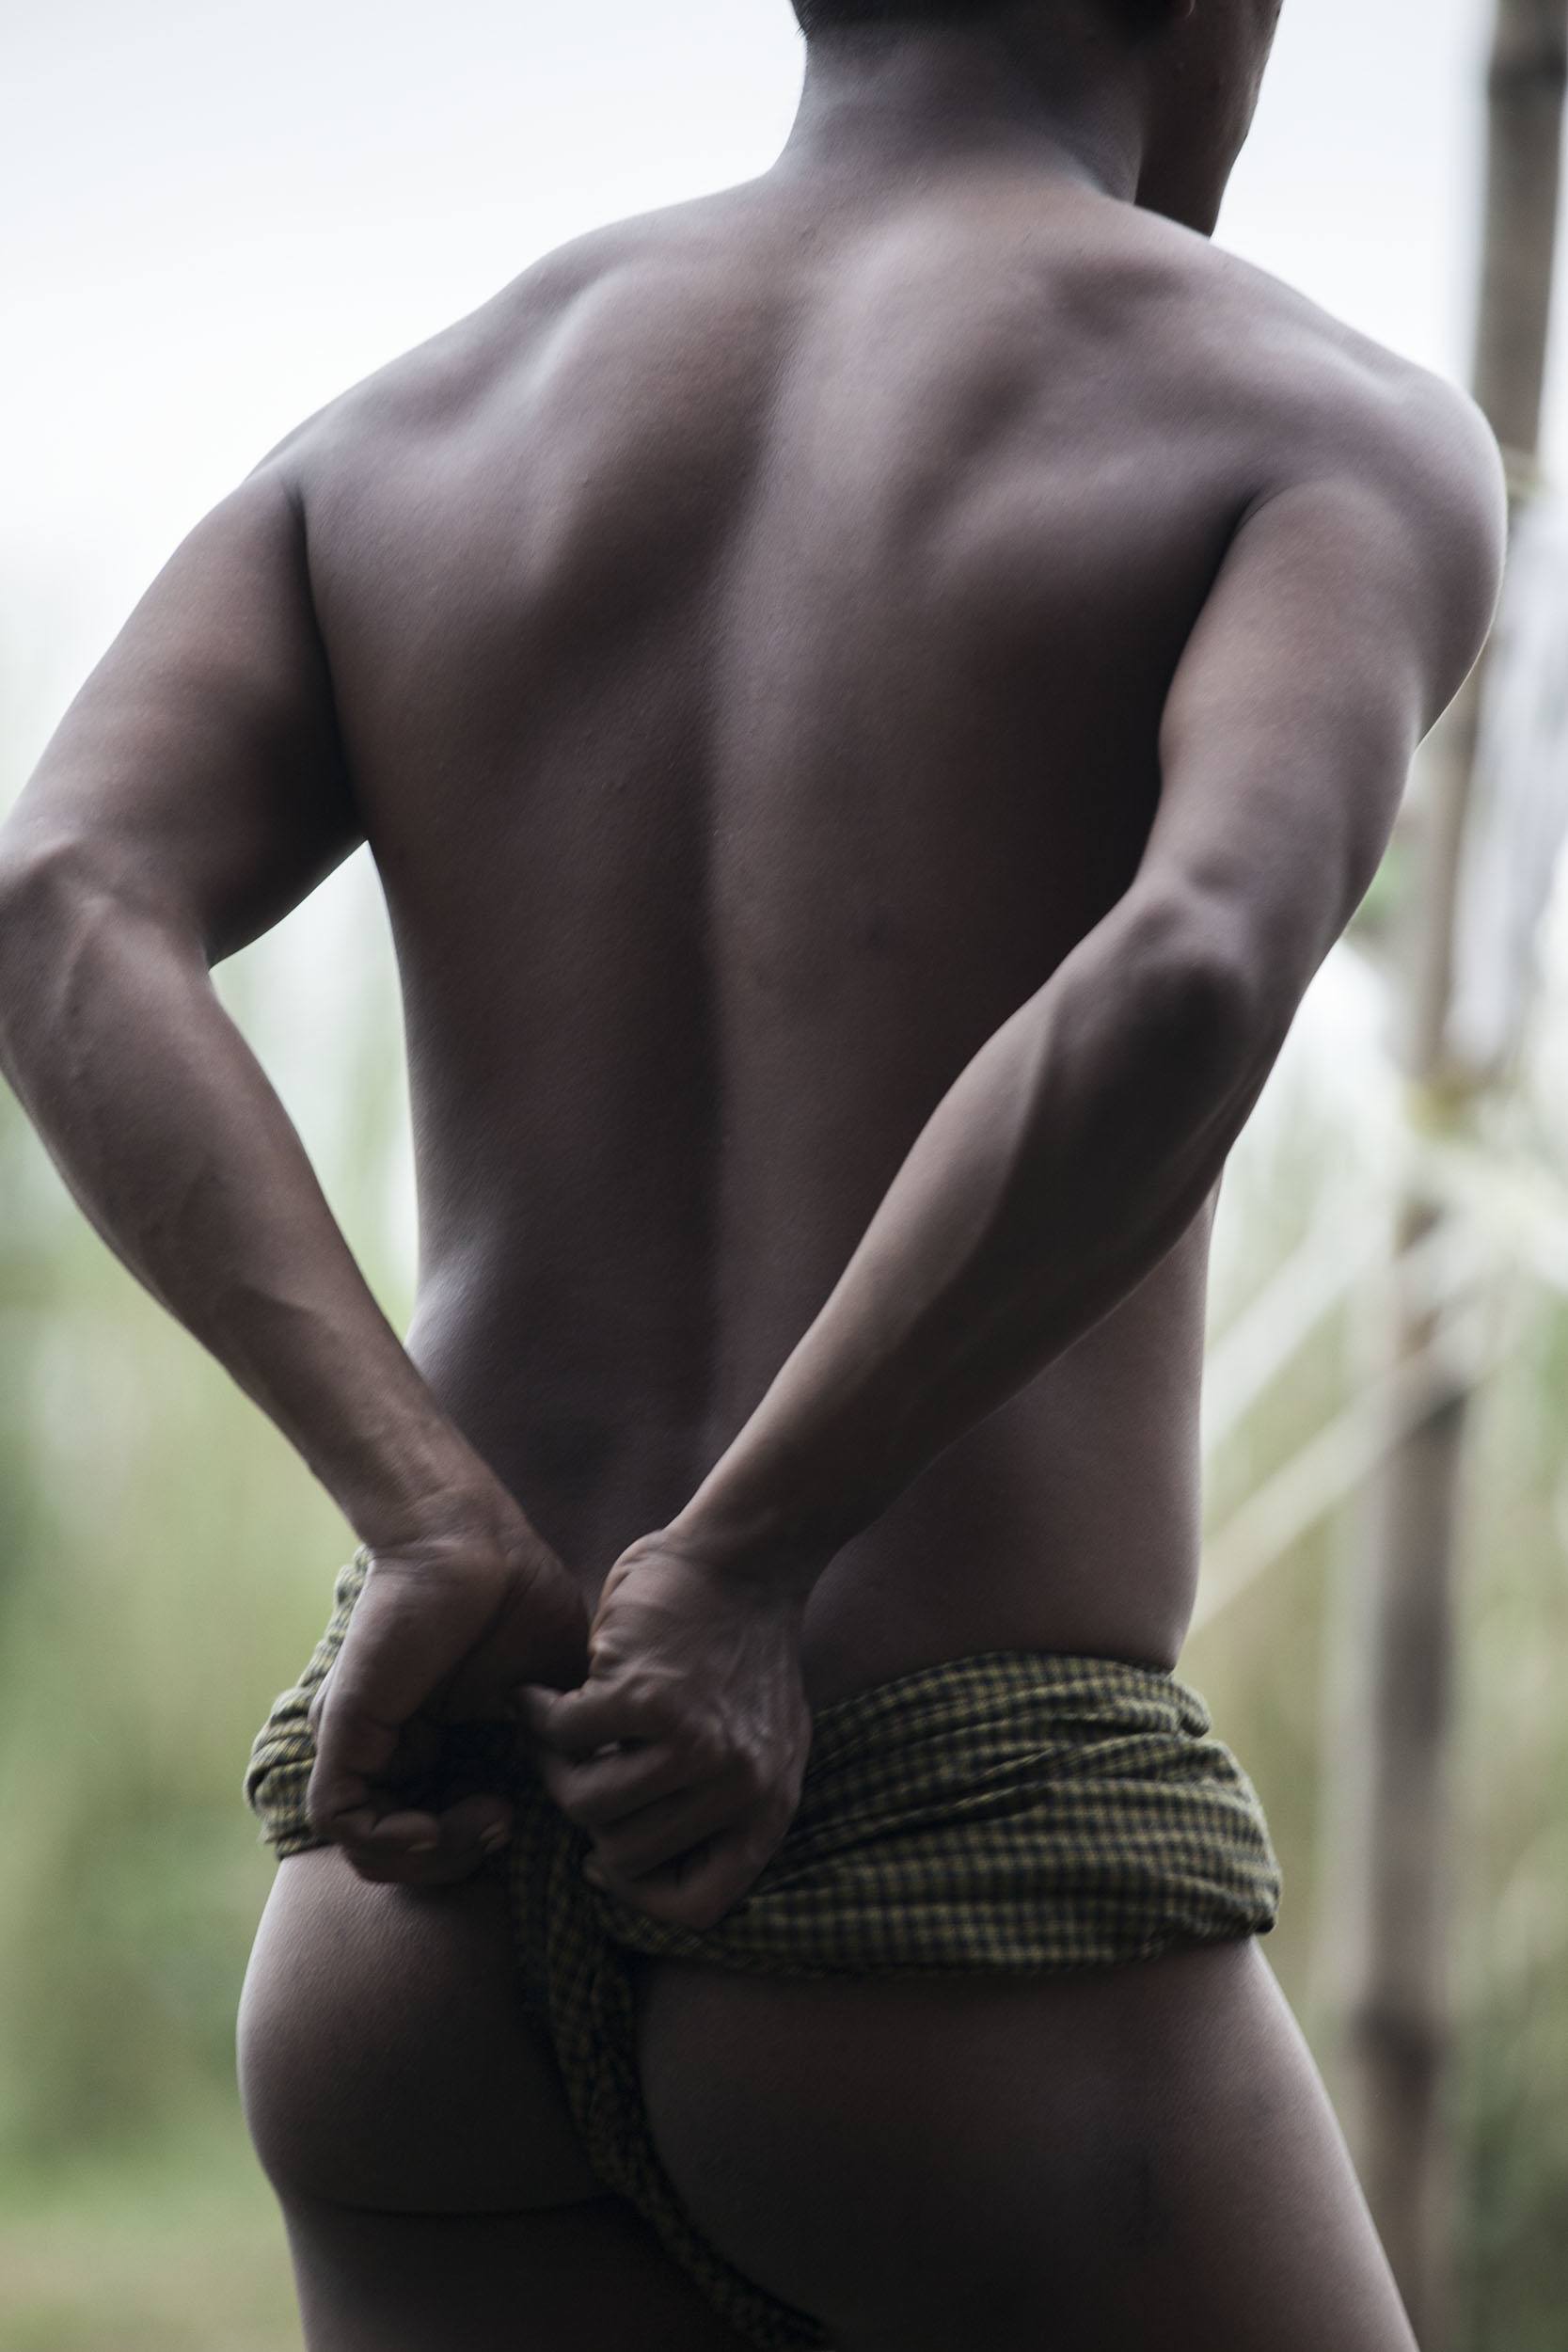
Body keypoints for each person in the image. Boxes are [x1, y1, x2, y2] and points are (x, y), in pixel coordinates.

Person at [0, 0, 1504, 2344]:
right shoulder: (1314, 421)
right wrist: (741, 1568)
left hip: (436, 1885)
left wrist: (429, 1516)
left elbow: (61, 895)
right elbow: (1193, 960)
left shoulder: (423, 423)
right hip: (951, 1889)